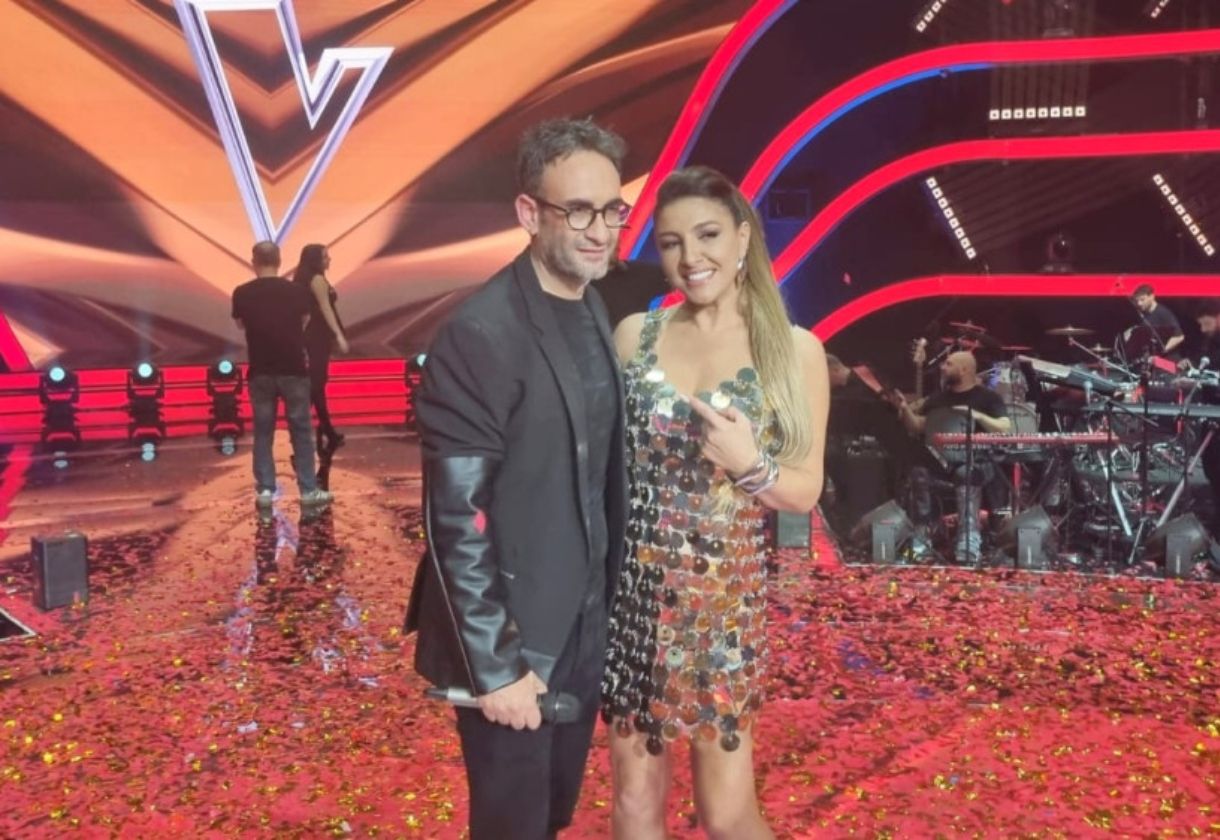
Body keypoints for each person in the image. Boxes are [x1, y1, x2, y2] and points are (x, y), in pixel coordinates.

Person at [403, 117, 630, 840]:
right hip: (516, 635)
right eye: (579, 211)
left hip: (583, 621)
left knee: (552, 814)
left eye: (612, 210)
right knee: (513, 827)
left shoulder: (589, 301)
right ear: (529, 214)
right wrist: (495, 666)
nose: (601, 231)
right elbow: (457, 518)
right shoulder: (481, 333)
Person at [601, 166, 829, 840]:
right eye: (671, 242)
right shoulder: (633, 336)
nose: (690, 257)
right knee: (634, 801)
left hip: (721, 604)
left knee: (725, 813)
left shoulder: (792, 350)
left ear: (742, 238)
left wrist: (750, 465)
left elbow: (804, 489)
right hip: (634, 600)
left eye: (707, 235)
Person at [231, 241, 331, 508]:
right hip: (294, 368)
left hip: (260, 370)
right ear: (279, 261)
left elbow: (241, 325)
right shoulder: (298, 292)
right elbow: (304, 322)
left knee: (263, 431)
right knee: (301, 430)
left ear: (254, 261)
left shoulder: (241, 293)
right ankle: (308, 490)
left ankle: (265, 490)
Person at [891, 350, 1009, 562]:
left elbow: (1004, 427)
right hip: (940, 461)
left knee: (965, 473)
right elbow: (919, 426)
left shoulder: (987, 398)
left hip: (976, 462)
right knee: (919, 472)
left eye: (948, 364)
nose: (942, 367)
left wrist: (977, 416)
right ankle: (924, 534)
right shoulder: (938, 398)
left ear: (964, 369)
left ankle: (969, 537)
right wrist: (905, 409)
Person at [293, 244, 350, 454]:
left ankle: (320, 428)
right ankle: (317, 428)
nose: (329, 259)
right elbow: (326, 308)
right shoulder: (316, 279)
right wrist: (339, 335)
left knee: (317, 383)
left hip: (316, 336)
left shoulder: (310, 278)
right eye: (325, 256)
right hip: (318, 336)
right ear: (315, 259)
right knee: (317, 383)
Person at [1127, 284, 1184, 358]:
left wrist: (1162, 351)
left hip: (1168, 359)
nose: (1139, 303)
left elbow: (1179, 337)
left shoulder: (1163, 313)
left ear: (1152, 296)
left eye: (1142, 299)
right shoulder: (1143, 314)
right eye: (1137, 300)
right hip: (1153, 359)